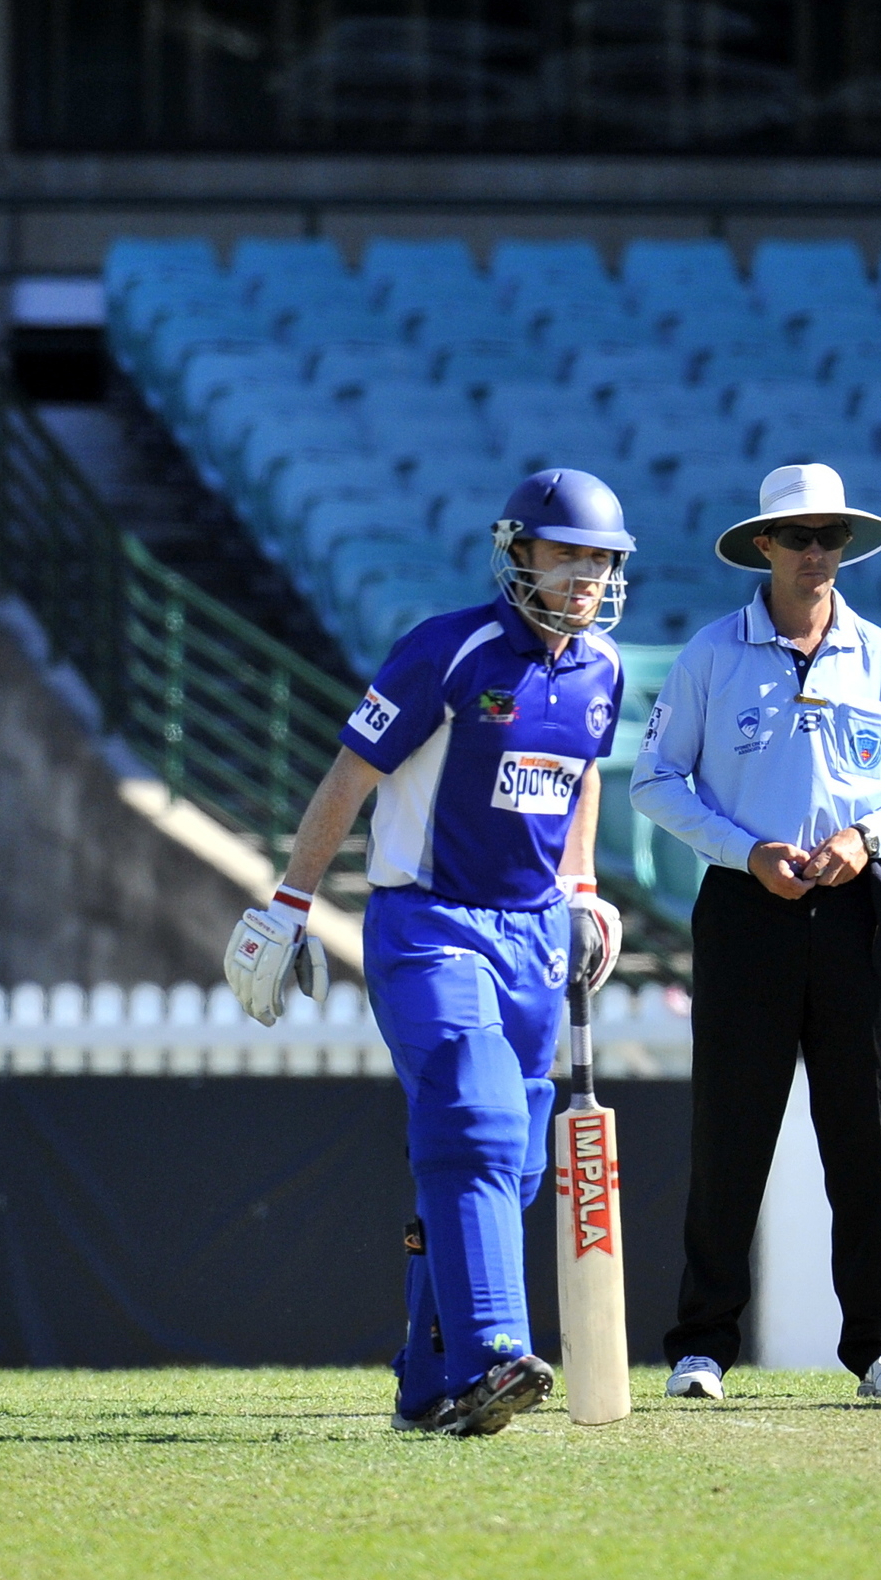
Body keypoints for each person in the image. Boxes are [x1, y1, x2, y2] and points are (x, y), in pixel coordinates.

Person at [223, 468, 631, 1435]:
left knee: (510, 1168)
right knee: (477, 1120)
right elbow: (350, 776)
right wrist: (289, 901)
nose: (585, 575)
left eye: (601, 559)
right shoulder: (448, 652)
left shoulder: (603, 668)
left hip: (534, 932)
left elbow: (581, 783)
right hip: (432, 923)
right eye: (567, 552)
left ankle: (430, 1383)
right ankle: (496, 1350)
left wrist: (583, 888)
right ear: (517, 551)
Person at [632, 462, 881, 1401]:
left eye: (831, 538)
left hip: (860, 912)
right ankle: (701, 1345)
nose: (818, 554)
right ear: (762, 546)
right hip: (744, 912)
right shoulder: (710, 657)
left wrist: (865, 836)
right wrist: (743, 851)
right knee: (731, 1134)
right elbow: (655, 780)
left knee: (867, 1138)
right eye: (799, 537)